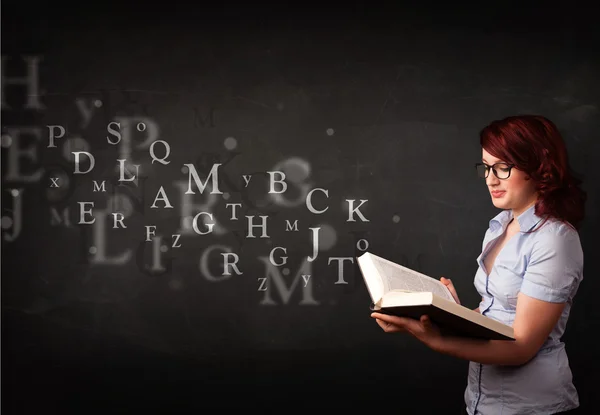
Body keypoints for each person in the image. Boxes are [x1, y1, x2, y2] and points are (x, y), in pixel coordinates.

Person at [371, 114, 586, 414]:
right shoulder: (499, 227)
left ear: (539, 166)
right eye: (486, 168)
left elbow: (521, 347)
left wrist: (438, 341)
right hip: (480, 401)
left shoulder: (555, 239)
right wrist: (446, 314)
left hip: (534, 407)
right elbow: (497, 313)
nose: (490, 179)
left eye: (502, 167)